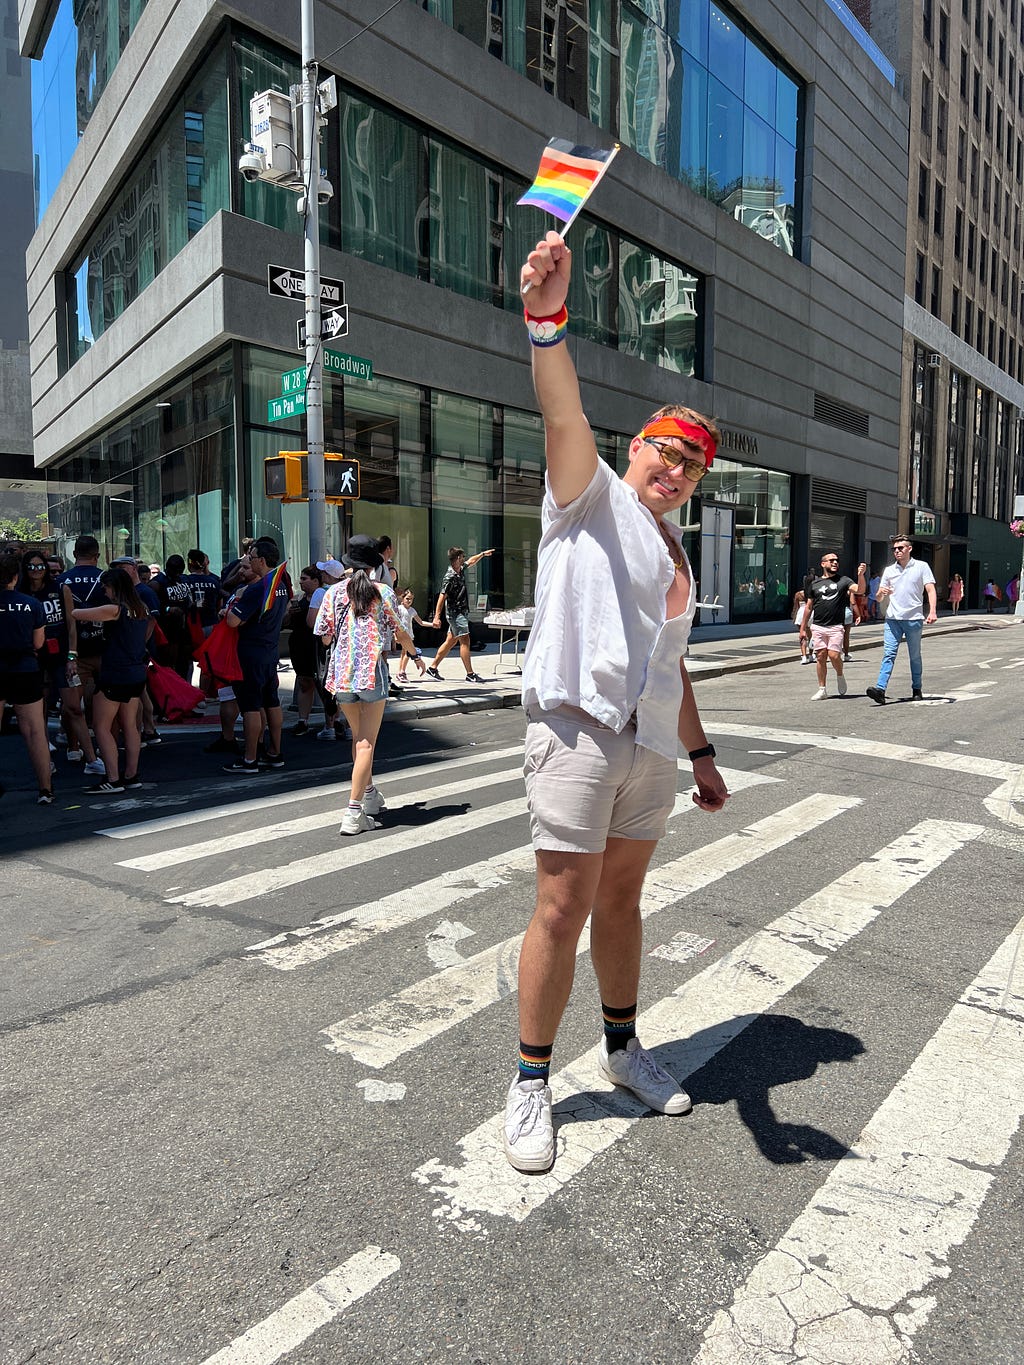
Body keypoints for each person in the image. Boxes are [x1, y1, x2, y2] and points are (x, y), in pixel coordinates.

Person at [502, 230, 729, 1175]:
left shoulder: (675, 553)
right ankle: (528, 1083)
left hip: (651, 751)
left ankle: (625, 1046)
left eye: (693, 466)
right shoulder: (588, 495)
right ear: (636, 447)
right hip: (580, 731)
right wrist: (547, 322)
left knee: (625, 901)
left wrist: (703, 755)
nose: (675, 471)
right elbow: (561, 416)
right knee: (561, 906)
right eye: (666, 452)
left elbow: (671, 666)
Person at [313, 536, 415, 835]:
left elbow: (324, 635)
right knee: (366, 742)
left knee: (358, 738)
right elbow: (400, 630)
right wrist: (414, 654)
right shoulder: (382, 592)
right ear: (375, 564)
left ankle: (369, 796)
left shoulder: (332, 593)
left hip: (342, 674)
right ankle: (353, 811)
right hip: (371, 671)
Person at [17, 551, 102, 772]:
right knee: (40, 712)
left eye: (40, 566)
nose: (37, 571)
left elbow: (71, 624)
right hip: (34, 657)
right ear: (25, 569)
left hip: (61, 656)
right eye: (32, 567)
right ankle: (46, 759)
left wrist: (72, 654)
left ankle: (92, 759)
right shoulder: (20, 592)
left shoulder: (60, 588)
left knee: (74, 707)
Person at [71, 567, 153, 793]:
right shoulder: (141, 608)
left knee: (101, 726)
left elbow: (77, 614)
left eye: (106, 587)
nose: (104, 591)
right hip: (136, 672)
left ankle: (113, 779)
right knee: (130, 727)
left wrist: (72, 598)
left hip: (115, 673)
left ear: (115, 587)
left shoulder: (116, 609)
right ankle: (132, 774)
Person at [222, 537, 291, 774]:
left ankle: (249, 759)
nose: (248, 561)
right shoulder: (279, 583)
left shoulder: (256, 589)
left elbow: (232, 621)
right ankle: (275, 751)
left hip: (251, 652)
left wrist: (233, 604)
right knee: (271, 701)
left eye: (251, 558)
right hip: (269, 650)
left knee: (250, 706)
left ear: (261, 560)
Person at [0, 549, 55, 803]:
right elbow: (39, 642)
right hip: (25, 668)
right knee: (35, 731)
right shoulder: (31, 604)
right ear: (15, 576)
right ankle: (45, 789)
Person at [866, 536, 937, 704]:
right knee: (888, 654)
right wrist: (881, 593)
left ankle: (917, 688)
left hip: (913, 619)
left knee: (914, 656)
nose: (897, 551)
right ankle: (880, 689)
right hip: (893, 619)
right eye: (894, 549)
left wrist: (932, 611)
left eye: (900, 548)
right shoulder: (889, 570)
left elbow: (930, 590)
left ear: (909, 549)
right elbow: (877, 598)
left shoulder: (921, 566)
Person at [110, 555, 161, 746]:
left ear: (133, 568)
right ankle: (148, 729)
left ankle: (143, 730)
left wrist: (139, 643)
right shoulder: (128, 592)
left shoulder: (144, 592)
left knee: (138, 692)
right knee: (141, 692)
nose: (119, 572)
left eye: (122, 568)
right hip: (133, 650)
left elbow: (153, 620)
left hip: (140, 650)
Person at [424, 546, 495, 683]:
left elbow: (471, 561)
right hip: (456, 614)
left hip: (460, 612)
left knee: (450, 641)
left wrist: (482, 554)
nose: (464, 559)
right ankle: (470, 674)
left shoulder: (460, 569)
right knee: (465, 641)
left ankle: (432, 668)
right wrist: (437, 616)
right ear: (457, 558)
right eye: (462, 557)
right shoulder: (449, 577)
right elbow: (441, 597)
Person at [804, 552, 858, 699]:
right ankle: (822, 689)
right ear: (823, 564)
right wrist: (803, 628)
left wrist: (861, 575)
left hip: (835, 626)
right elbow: (809, 606)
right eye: (831, 560)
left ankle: (840, 674)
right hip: (818, 626)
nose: (835, 562)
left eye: (837, 560)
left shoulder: (844, 580)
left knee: (834, 655)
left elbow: (859, 590)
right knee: (820, 656)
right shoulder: (814, 584)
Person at [285, 566, 322, 736]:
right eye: (300, 578)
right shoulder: (298, 598)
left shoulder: (321, 597)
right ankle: (302, 720)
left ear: (315, 581)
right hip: (298, 642)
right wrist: (290, 613)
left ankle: (333, 722)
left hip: (315, 643)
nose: (301, 582)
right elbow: (284, 621)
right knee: (303, 681)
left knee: (321, 682)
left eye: (305, 578)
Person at [396, 589, 428, 681]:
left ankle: (400, 672)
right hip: (402, 635)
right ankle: (402, 672)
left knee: (404, 654)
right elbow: (395, 623)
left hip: (410, 635)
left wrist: (432, 624)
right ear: (402, 598)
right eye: (407, 598)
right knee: (407, 653)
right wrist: (395, 635)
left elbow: (421, 622)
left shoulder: (412, 610)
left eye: (411, 599)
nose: (409, 601)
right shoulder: (399, 609)